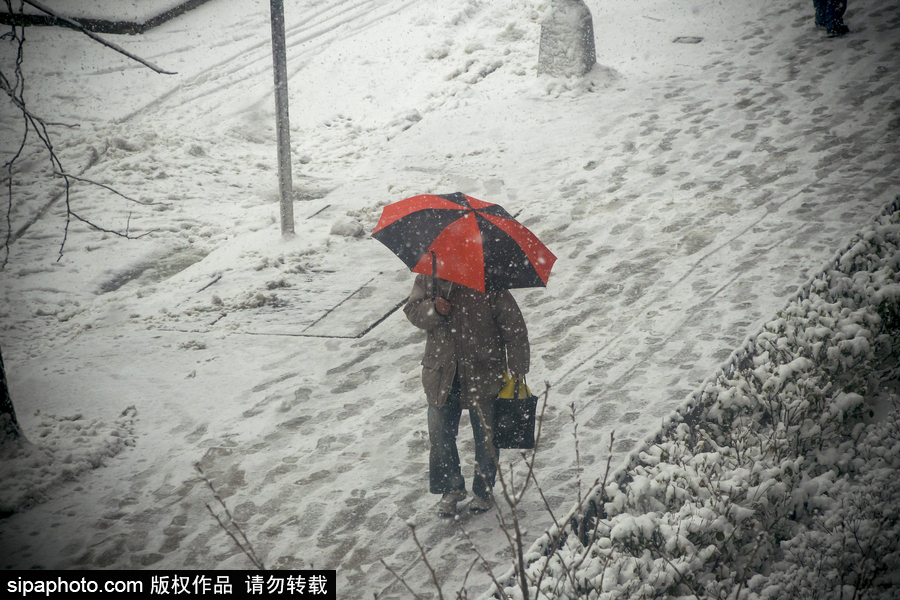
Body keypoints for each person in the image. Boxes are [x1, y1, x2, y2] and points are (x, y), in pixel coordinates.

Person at [404, 274, 529, 516]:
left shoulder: (488, 281)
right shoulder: (429, 275)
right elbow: (412, 310)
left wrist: (518, 369)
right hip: (443, 372)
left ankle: (483, 491)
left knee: (486, 437)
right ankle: (451, 489)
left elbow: (514, 327)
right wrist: (434, 309)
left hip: (484, 371)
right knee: (439, 435)